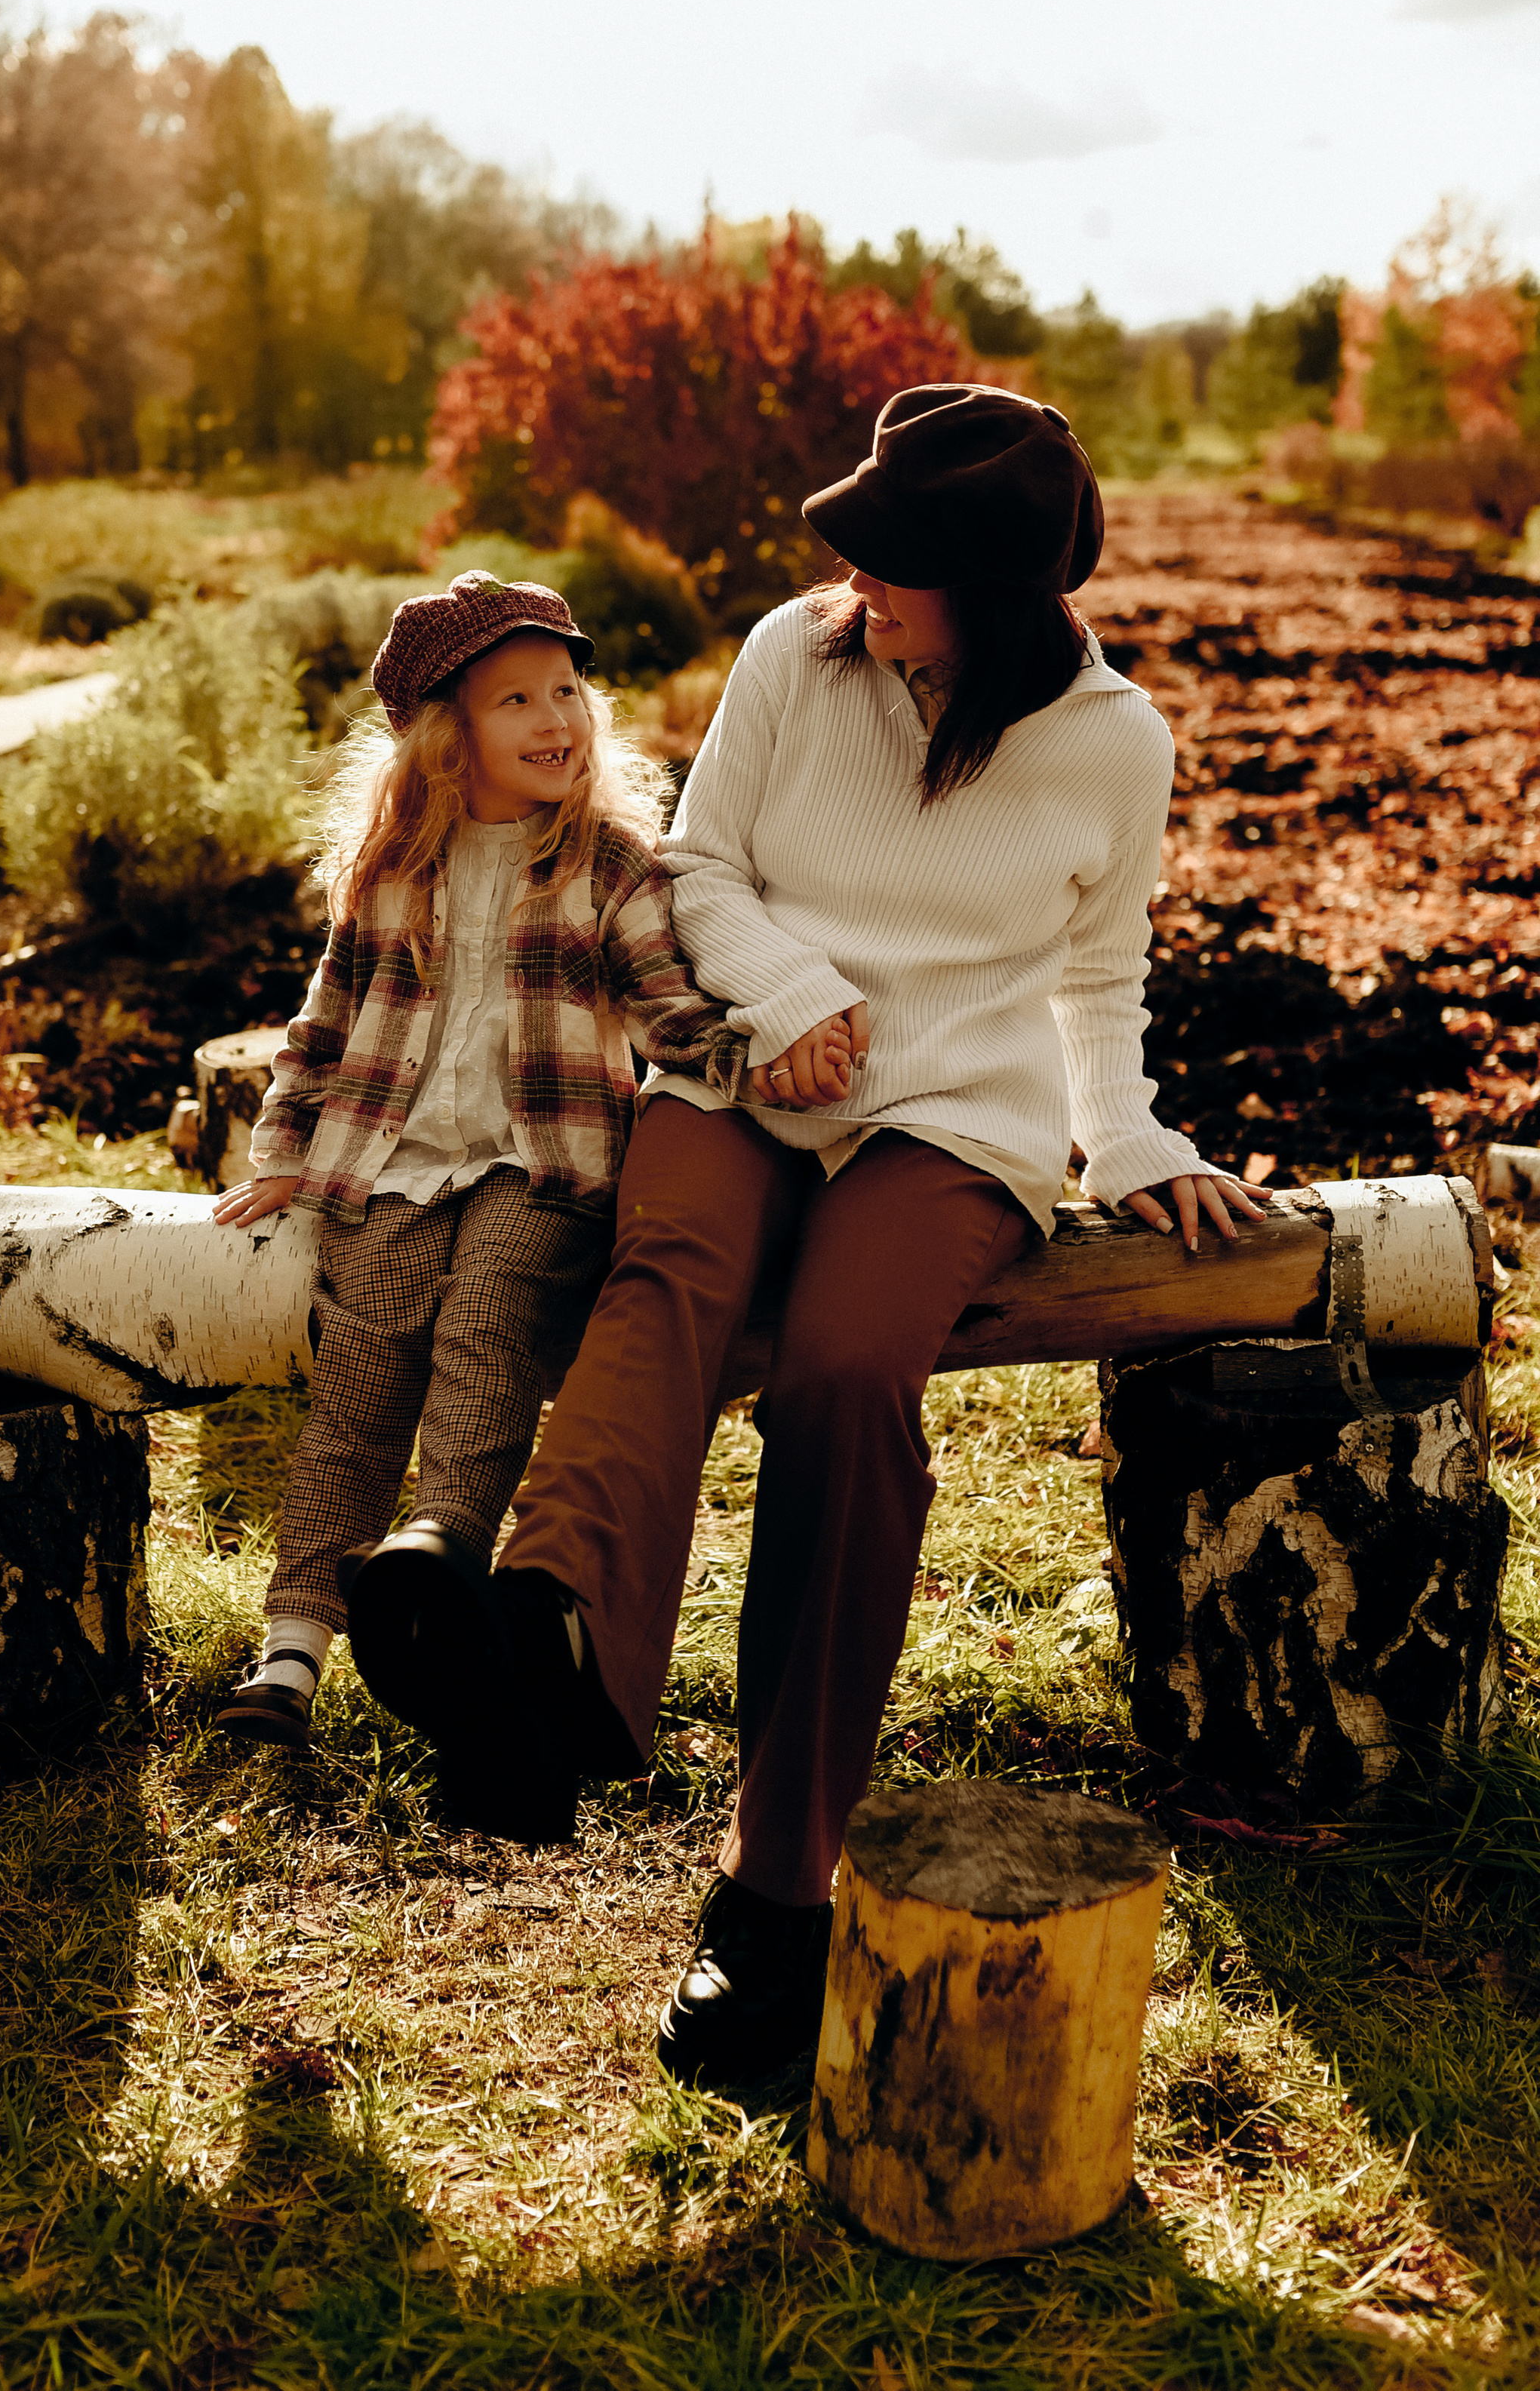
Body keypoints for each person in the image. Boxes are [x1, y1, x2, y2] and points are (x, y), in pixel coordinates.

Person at [341, 384, 1266, 2077]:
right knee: (670, 1263)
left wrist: (1130, 1140)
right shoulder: (794, 651)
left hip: (953, 1114)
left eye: (890, 562)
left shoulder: (1110, 741)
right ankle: (536, 1666)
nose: (854, 579)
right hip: (747, 1066)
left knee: (846, 1372)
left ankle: (773, 1903)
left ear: (989, 591)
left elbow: (1097, 976)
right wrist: (784, 1000)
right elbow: (697, 868)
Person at [210, 568, 748, 1758]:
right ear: (448, 734)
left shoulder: (609, 863)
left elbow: (668, 1010)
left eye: (567, 689)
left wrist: (754, 1057)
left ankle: (437, 1575)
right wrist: (287, 1152)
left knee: (486, 1334)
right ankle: (289, 1651)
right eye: (516, 701)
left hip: (544, 1162)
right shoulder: (395, 866)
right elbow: (323, 1024)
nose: (557, 719)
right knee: (359, 1380)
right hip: (388, 1160)